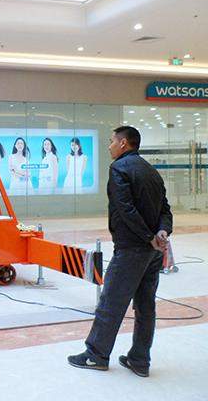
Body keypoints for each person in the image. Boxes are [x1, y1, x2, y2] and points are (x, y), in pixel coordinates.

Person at [68, 126, 172, 377]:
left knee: (111, 303)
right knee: (146, 306)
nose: (109, 146)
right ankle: (140, 360)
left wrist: (148, 237)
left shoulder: (119, 169)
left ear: (124, 143)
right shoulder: (151, 171)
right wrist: (162, 232)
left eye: (112, 141)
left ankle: (96, 355)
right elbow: (165, 210)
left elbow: (125, 210)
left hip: (131, 250)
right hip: (152, 253)